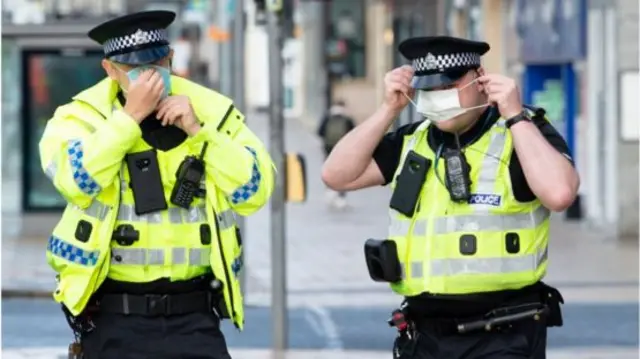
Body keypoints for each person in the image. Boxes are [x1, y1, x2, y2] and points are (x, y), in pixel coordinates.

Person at [322, 36, 580, 359]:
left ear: (480, 79)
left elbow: (560, 193)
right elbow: (335, 174)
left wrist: (515, 115)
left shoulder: (519, 132)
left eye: (448, 86)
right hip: (424, 337)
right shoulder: (412, 142)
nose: (438, 97)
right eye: (429, 89)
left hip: (503, 335)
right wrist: (389, 109)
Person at [39, 10, 274, 359]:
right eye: (135, 69)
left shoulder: (213, 110)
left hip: (195, 317)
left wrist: (200, 133)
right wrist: (129, 119)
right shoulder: (80, 117)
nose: (149, 76)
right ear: (110, 70)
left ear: (171, 58)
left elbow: (254, 193)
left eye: (157, 63)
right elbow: (76, 182)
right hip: (113, 317)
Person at [317, 100, 356, 209]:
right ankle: (341, 196)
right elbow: (354, 134)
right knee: (344, 172)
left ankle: (330, 190)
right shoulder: (347, 119)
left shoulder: (327, 117)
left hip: (328, 149)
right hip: (343, 149)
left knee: (329, 169)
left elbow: (319, 132)